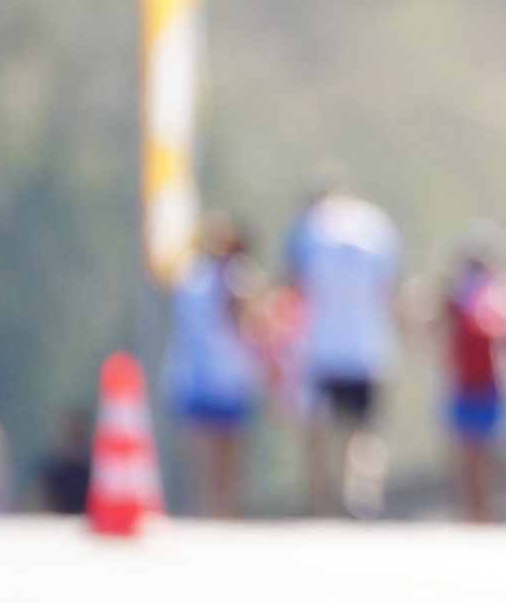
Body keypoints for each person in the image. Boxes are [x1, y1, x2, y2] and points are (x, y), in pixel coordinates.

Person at [284, 172, 401, 517]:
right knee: (364, 428)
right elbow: (388, 285)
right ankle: (363, 491)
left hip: (323, 345)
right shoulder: (376, 225)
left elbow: (295, 286)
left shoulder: (308, 229)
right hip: (369, 346)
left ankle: (326, 500)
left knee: (325, 427)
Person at [439, 226, 506, 523]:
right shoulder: (490, 290)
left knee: (476, 459)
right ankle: (481, 517)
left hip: (480, 383)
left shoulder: (478, 291)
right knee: (479, 459)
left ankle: (481, 517)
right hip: (480, 383)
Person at [162, 209, 263, 518]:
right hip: (204, 375)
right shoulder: (201, 276)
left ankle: (222, 515)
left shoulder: (229, 275)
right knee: (206, 459)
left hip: (225, 376)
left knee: (226, 459)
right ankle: (208, 515)